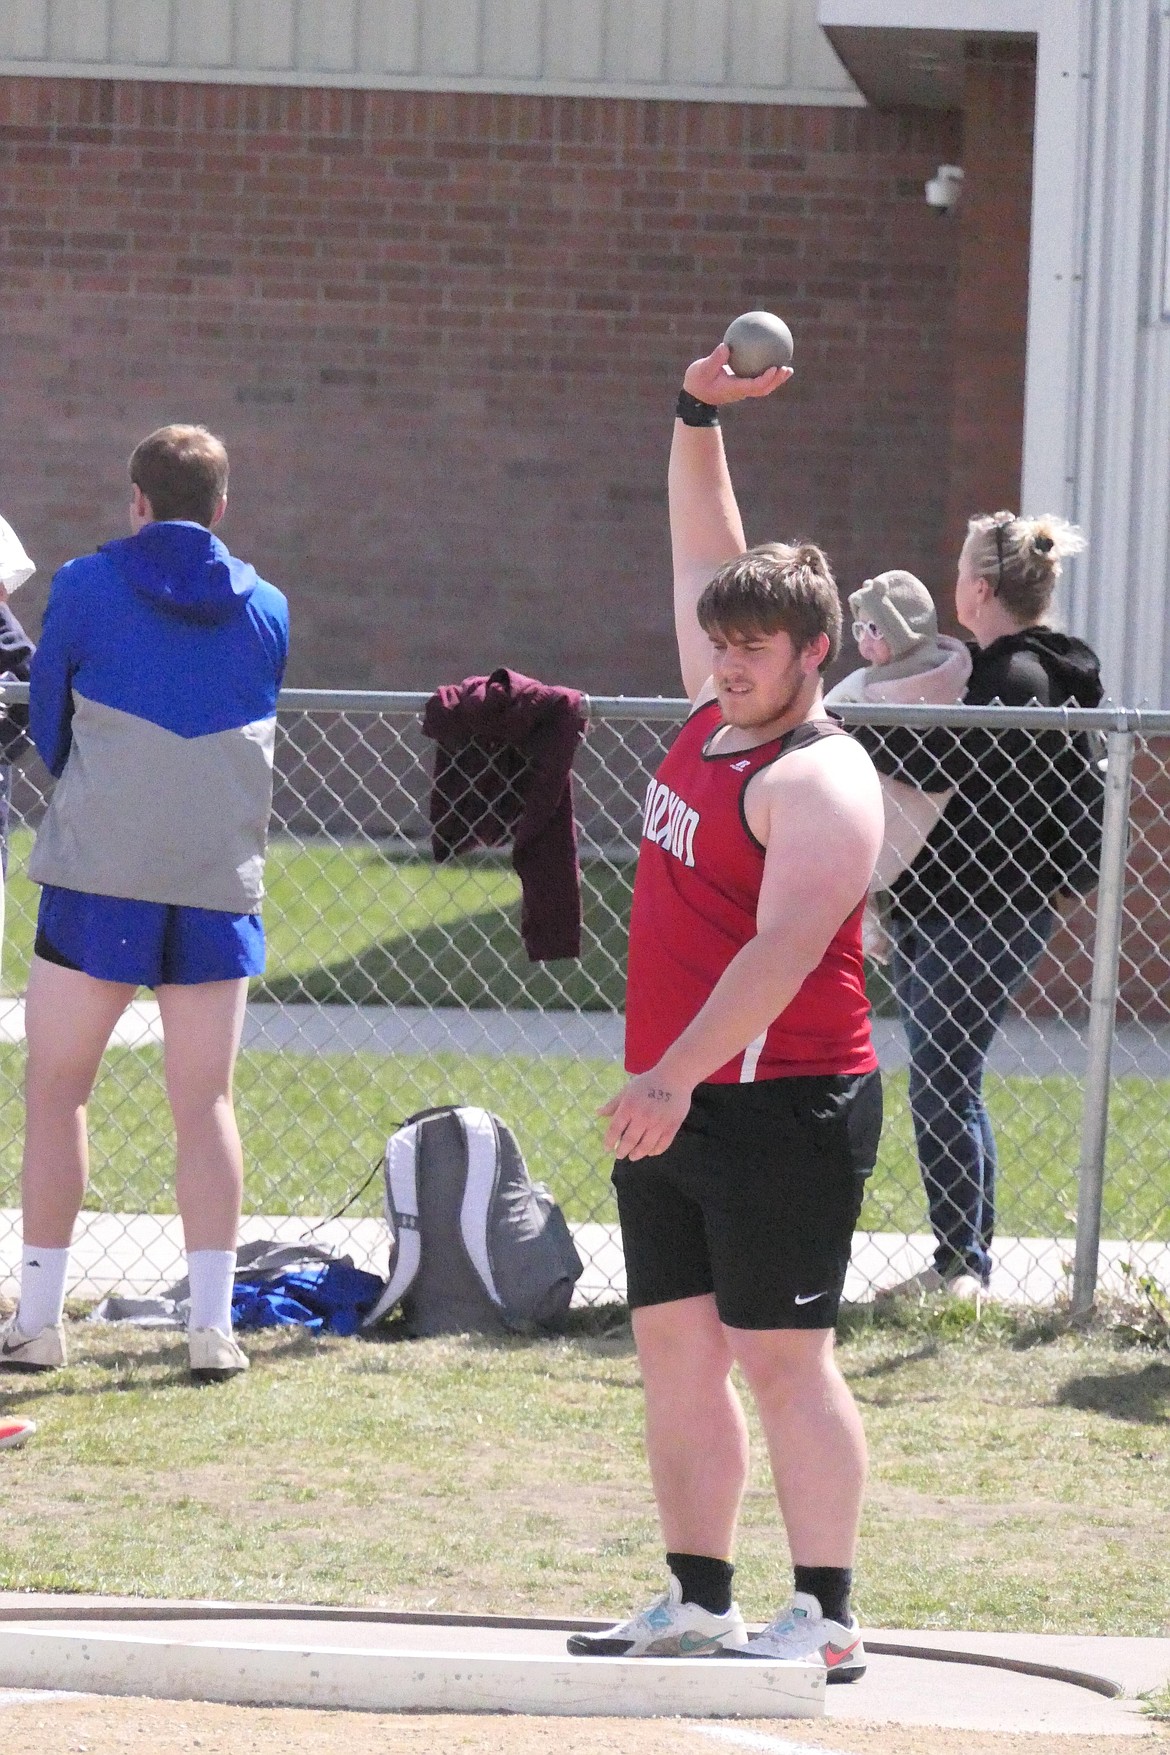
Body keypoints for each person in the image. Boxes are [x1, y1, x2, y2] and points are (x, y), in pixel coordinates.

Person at [567, 346, 883, 1678]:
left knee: (780, 1357)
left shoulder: (821, 779)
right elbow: (707, 538)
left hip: (779, 1099)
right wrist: (695, 412)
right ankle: (698, 1597)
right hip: (682, 1094)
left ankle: (823, 1613)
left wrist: (666, 1078)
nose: (730, 659)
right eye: (720, 639)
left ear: (814, 653)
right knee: (675, 1356)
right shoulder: (712, 711)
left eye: (756, 646)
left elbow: (777, 955)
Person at [0, 425, 288, 1381]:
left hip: (96, 876)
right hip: (214, 885)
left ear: (136, 501)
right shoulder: (271, 607)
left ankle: (39, 1320)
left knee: (56, 1089)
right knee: (206, 1101)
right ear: (220, 507)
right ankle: (212, 1328)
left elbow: (47, 725)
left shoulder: (82, 584)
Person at [856, 512, 1102, 1302]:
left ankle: (963, 1265)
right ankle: (960, 1258)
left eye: (961, 571)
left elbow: (935, 759)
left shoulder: (1017, 679)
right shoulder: (996, 667)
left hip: (985, 912)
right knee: (946, 1079)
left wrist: (847, 724)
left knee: (942, 1081)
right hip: (940, 907)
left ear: (982, 588)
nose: (953, 582)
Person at [825, 571, 971, 961]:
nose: (863, 641)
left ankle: (865, 908)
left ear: (901, 630)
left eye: (873, 628)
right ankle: (865, 908)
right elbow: (825, 723)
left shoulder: (950, 683)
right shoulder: (863, 685)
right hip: (875, 790)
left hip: (915, 799)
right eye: (858, 629)